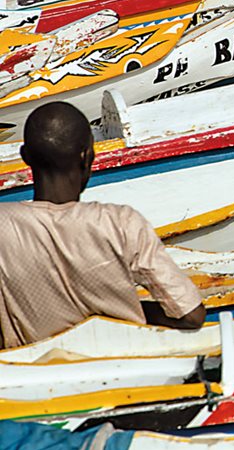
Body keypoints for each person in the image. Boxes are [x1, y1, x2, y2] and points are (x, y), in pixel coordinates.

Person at [0, 102, 206, 349]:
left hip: (31, 374)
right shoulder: (120, 223)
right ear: (88, 156)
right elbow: (190, 315)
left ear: (25, 157)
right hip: (120, 365)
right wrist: (124, 311)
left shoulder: (4, 224)